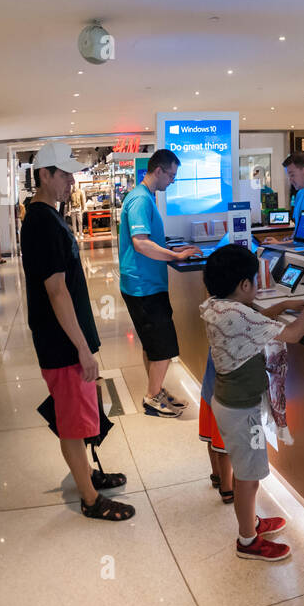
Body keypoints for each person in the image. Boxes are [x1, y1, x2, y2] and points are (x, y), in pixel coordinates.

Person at [20, 142, 134, 522]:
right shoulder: (40, 222)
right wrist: (82, 349)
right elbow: (56, 290)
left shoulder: (49, 216)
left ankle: (87, 476)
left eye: (72, 173)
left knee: (79, 415)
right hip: (62, 344)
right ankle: (89, 498)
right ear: (45, 175)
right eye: (64, 174)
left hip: (66, 340)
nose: (71, 180)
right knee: (72, 421)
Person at [200, 244, 304, 562]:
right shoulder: (239, 314)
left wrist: (283, 303)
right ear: (244, 285)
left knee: (246, 472)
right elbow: (293, 335)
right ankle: (247, 539)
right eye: (254, 281)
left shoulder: (219, 307)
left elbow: (253, 320)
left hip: (228, 403)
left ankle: (251, 520)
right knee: (248, 477)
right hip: (242, 412)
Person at [117, 148, 203, 418]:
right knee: (163, 346)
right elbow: (141, 243)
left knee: (153, 345)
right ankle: (152, 397)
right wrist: (175, 255)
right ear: (159, 170)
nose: (173, 181)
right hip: (144, 286)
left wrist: (171, 248)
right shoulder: (140, 200)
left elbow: (149, 239)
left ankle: (156, 389)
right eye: (172, 175)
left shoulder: (145, 197)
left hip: (145, 284)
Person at [197, 354, 235, 503]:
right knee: (224, 448)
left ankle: (216, 476)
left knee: (212, 438)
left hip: (209, 389)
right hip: (225, 395)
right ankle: (227, 489)